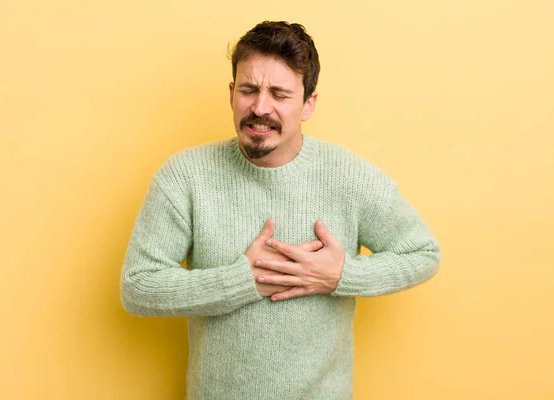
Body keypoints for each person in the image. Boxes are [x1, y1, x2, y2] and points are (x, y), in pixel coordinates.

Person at [120, 20, 441, 400]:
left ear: (308, 104)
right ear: (231, 93)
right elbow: (138, 286)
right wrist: (242, 281)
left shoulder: (351, 178)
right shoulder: (185, 176)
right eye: (249, 90)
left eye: (279, 94)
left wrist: (341, 275)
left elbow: (423, 253)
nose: (260, 107)